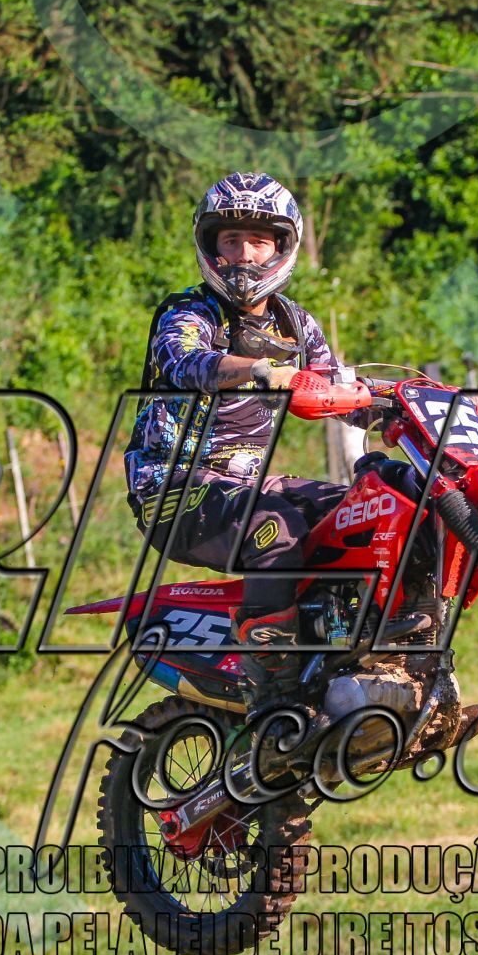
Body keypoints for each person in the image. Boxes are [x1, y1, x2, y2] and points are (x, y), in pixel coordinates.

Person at [124, 171, 362, 679]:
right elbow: (184, 360)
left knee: (361, 512)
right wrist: (257, 369)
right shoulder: (188, 311)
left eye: (258, 240)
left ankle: (350, 651)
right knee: (274, 527)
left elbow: (337, 387)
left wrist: (440, 404)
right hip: (170, 487)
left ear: (281, 246)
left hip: (246, 483)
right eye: (231, 240)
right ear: (212, 246)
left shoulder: (295, 324)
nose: (244, 255)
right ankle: (271, 680)